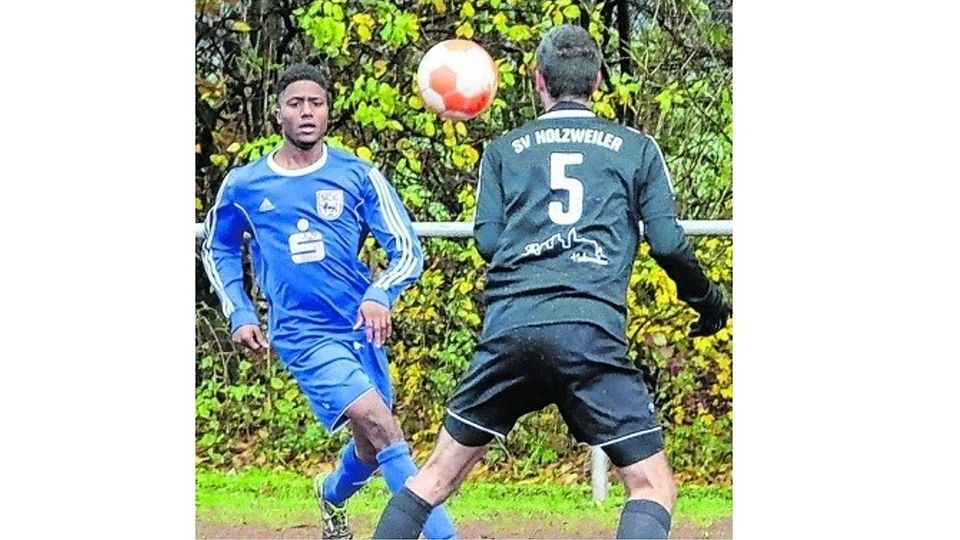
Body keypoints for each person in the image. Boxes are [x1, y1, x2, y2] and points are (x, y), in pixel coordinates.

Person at [372, 24, 731, 540]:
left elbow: (489, 244)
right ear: (600, 82)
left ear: (538, 81)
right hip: (588, 331)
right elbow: (669, 243)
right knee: (651, 486)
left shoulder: (502, 149)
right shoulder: (636, 148)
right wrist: (709, 301)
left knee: (434, 478)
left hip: (510, 331)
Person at [200, 63, 458, 540]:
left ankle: (332, 495)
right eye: (295, 103)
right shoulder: (245, 185)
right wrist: (239, 309)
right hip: (302, 334)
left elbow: (406, 249)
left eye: (315, 103)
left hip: (361, 330)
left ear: (328, 112)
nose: (305, 112)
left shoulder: (357, 176)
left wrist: (381, 292)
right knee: (384, 428)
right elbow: (216, 247)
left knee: (368, 446)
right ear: (278, 113)